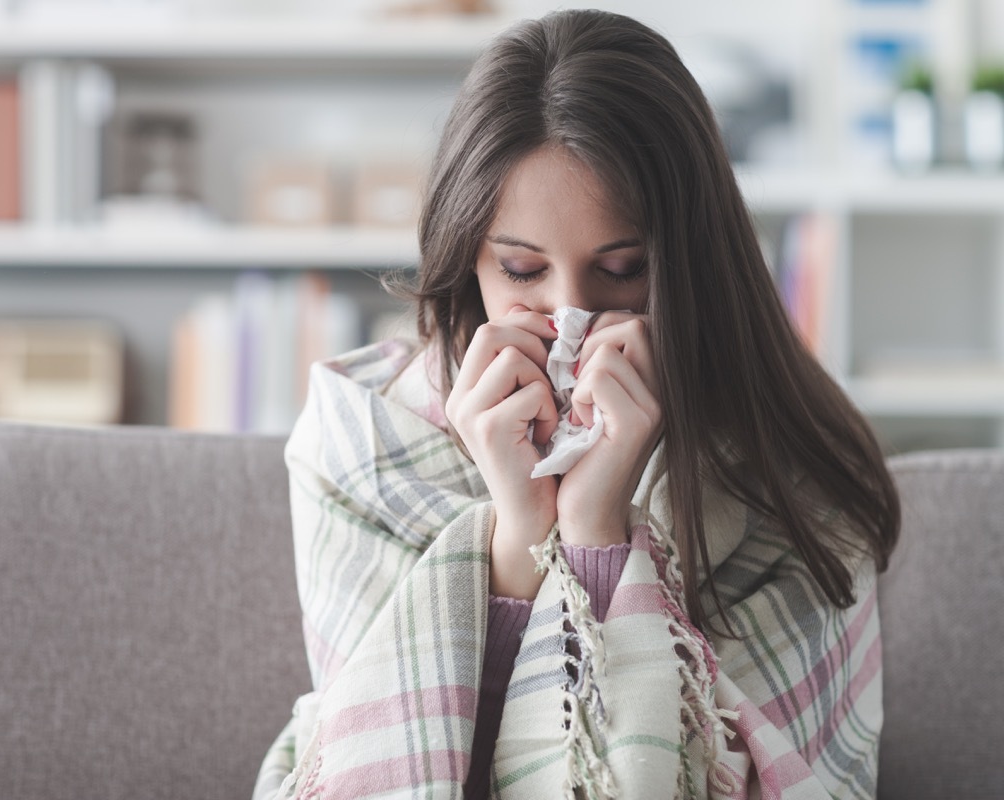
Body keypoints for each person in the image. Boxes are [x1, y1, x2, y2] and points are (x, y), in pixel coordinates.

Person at [255, 9, 898, 799]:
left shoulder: (785, 462)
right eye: (523, 271)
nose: (572, 322)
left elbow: (766, 774)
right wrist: (518, 535)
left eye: (623, 270)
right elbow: (392, 761)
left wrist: (598, 530)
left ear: (691, 263)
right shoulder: (361, 439)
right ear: (467, 261)